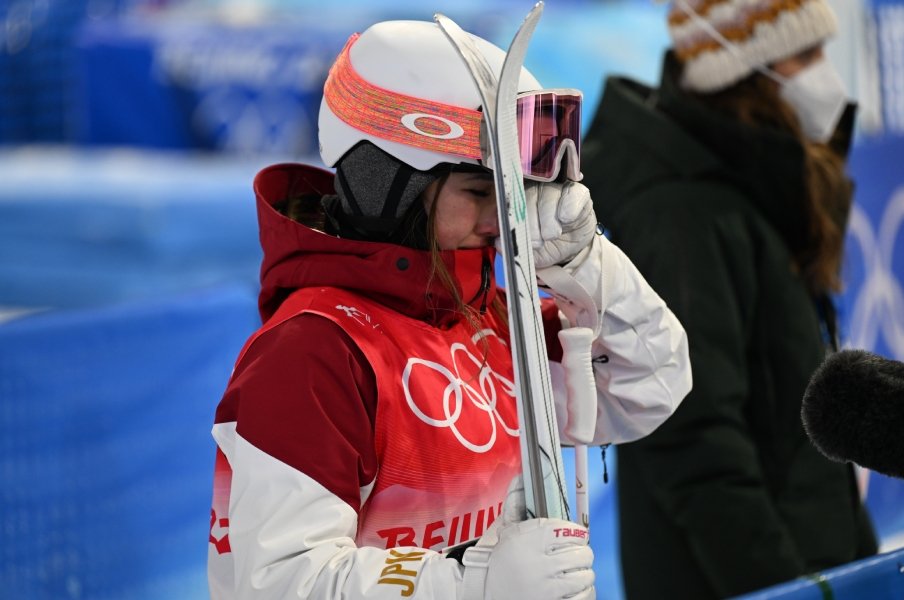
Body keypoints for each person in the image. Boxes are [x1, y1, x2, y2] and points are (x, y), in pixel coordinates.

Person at [206, 18, 692, 600]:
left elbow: (649, 386)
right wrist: (468, 586)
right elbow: (283, 581)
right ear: (386, 182)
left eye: (515, 195)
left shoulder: (486, 315)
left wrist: (583, 262)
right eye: (480, 193)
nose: (500, 221)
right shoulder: (314, 352)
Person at [580, 0, 878, 598]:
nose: (828, 75)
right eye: (805, 55)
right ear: (748, 75)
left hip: (810, 568)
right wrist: (788, 590)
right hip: (750, 582)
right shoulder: (683, 213)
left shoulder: (748, 186)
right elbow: (696, 444)